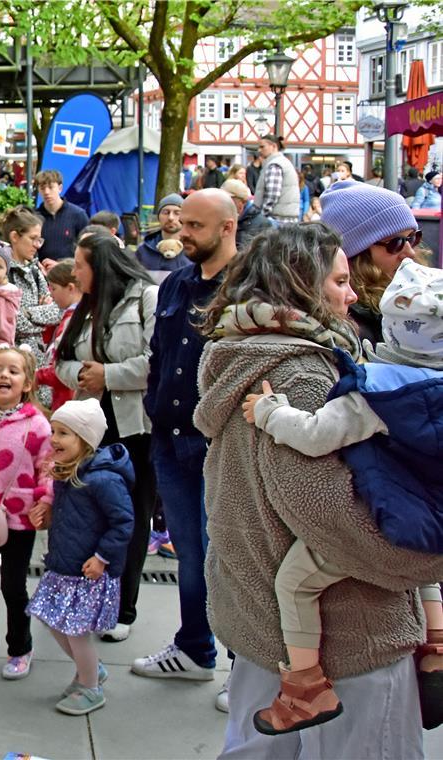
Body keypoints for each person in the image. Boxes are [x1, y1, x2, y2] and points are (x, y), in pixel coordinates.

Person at [194, 223, 443, 758]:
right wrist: (425, 561)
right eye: (339, 280)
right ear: (300, 285)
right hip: (347, 636)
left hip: (266, 625)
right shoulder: (303, 373)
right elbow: (324, 510)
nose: (352, 294)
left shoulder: (246, 358)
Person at [133, 189, 238, 708]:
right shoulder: (177, 282)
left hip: (220, 446)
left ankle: (246, 668)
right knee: (191, 555)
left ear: (228, 226)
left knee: (232, 558)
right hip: (171, 441)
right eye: (182, 224)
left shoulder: (247, 287)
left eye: (195, 226)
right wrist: (155, 406)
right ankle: (196, 650)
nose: (181, 234)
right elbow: (160, 352)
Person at [56, 233, 157, 643]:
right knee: (85, 514)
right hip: (91, 430)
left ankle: (122, 606)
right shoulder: (85, 307)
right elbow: (60, 359)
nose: (74, 273)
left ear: (100, 266)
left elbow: (158, 360)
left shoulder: (146, 298)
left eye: (79, 265)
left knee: (128, 518)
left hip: (137, 431)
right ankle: (82, 597)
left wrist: (109, 376)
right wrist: (83, 377)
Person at [26, 398, 134, 716]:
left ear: (85, 440)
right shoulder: (65, 473)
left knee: (75, 631)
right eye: (54, 431)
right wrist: (47, 514)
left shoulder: (102, 479)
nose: (54, 439)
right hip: (64, 565)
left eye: (64, 434)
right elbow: (70, 515)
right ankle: (91, 671)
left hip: (87, 572)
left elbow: (123, 522)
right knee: (52, 621)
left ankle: (90, 687)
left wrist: (102, 557)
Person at [0, 346, 54, 681]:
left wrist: (45, 500)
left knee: (14, 586)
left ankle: (20, 648)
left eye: (13, 371)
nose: (4, 375)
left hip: (19, 520)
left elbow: (48, 466)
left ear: (27, 382)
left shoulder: (37, 425)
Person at [320, 180, 421, 345]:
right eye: (396, 243)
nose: (410, 253)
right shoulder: (350, 328)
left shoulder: (418, 296)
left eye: (413, 238)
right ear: (357, 253)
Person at [2, 206, 62, 406]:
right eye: (33, 238)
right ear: (14, 237)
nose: (38, 245)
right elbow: (14, 323)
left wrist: (27, 313)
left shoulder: (35, 270)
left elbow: (58, 310)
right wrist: (40, 313)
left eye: (40, 239)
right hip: (13, 362)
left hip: (39, 359)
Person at [36, 259, 82, 412]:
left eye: (53, 288)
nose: (50, 293)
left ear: (70, 288)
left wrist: (35, 376)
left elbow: (61, 369)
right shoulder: (71, 316)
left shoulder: (73, 321)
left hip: (68, 400)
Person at [35, 169, 89, 264]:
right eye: (42, 188)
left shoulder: (78, 214)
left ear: (60, 188)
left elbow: (88, 247)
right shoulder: (34, 217)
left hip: (70, 272)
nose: (46, 192)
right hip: (42, 271)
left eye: (51, 187)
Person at [135, 194, 191, 277]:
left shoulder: (193, 250)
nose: (171, 218)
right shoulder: (143, 250)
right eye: (166, 212)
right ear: (158, 217)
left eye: (177, 213)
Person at [251, 135, 299, 223]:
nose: (259, 150)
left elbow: (272, 194)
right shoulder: (283, 162)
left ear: (273, 146)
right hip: (286, 217)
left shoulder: (275, 165)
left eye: (262, 146)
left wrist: (262, 215)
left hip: (277, 219)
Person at [222, 179, 272, 252]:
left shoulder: (262, 224)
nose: (224, 203)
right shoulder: (224, 218)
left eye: (229, 199)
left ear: (242, 201)